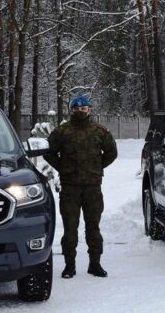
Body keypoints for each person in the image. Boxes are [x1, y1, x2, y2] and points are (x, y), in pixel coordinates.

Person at [44, 95, 118, 278]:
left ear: (89, 109)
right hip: (70, 189)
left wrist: (97, 167)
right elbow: (48, 151)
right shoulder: (62, 132)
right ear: (71, 110)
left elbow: (112, 153)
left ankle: (95, 264)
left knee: (93, 228)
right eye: (76, 109)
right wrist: (62, 167)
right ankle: (70, 266)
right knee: (70, 229)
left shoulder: (100, 131)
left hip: (92, 188)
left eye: (83, 108)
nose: (80, 111)